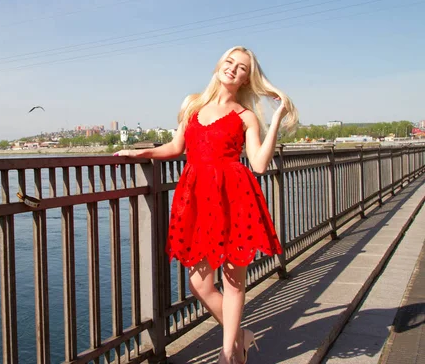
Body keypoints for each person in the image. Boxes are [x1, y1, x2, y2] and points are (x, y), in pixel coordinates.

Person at [114, 46, 298, 363]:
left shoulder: (246, 116)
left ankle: (229, 355)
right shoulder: (193, 106)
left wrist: (278, 117)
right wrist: (139, 153)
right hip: (198, 200)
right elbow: (175, 147)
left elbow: (259, 164)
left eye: (241, 68)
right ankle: (241, 338)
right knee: (200, 284)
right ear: (218, 66)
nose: (233, 69)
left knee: (233, 281)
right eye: (229, 62)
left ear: (245, 79)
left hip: (235, 198)